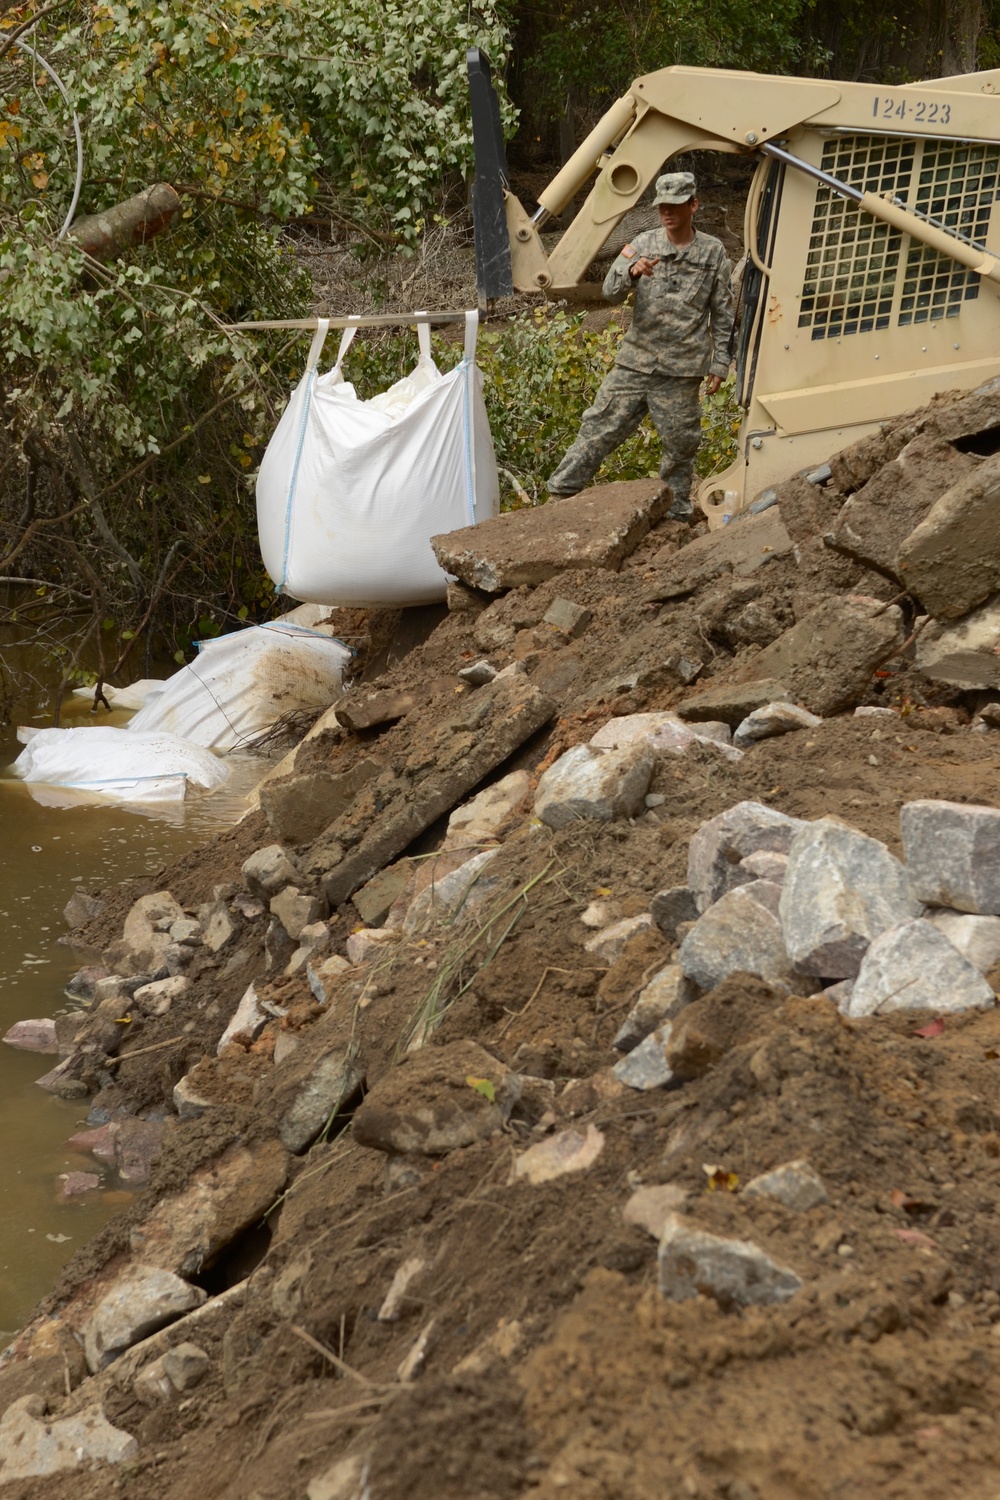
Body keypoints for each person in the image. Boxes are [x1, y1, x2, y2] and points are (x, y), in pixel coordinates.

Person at [546, 171, 735, 520]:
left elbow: (722, 312)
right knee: (597, 429)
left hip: (681, 370)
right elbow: (608, 291)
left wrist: (720, 363)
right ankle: (560, 497)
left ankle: (676, 516)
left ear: (693, 205)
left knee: (680, 446)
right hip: (636, 362)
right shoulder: (642, 245)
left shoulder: (712, 252)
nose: (667, 213)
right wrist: (631, 272)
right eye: (662, 206)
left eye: (675, 206)